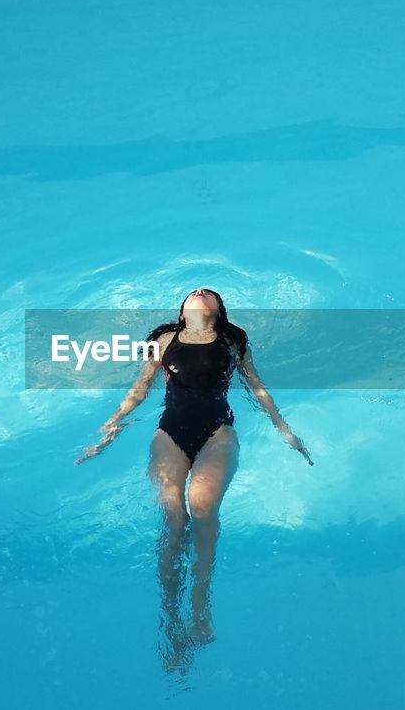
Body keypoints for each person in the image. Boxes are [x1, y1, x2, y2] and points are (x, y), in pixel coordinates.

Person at [75, 287, 312, 672]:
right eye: (193, 292)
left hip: (217, 434)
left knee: (201, 509)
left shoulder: (231, 342)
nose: (200, 291)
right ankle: (171, 620)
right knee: (173, 516)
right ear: (182, 310)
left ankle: (200, 609)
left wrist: (285, 430)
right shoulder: (164, 340)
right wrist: (111, 427)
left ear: (218, 311)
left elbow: (257, 387)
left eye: (209, 293)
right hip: (170, 434)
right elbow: (140, 387)